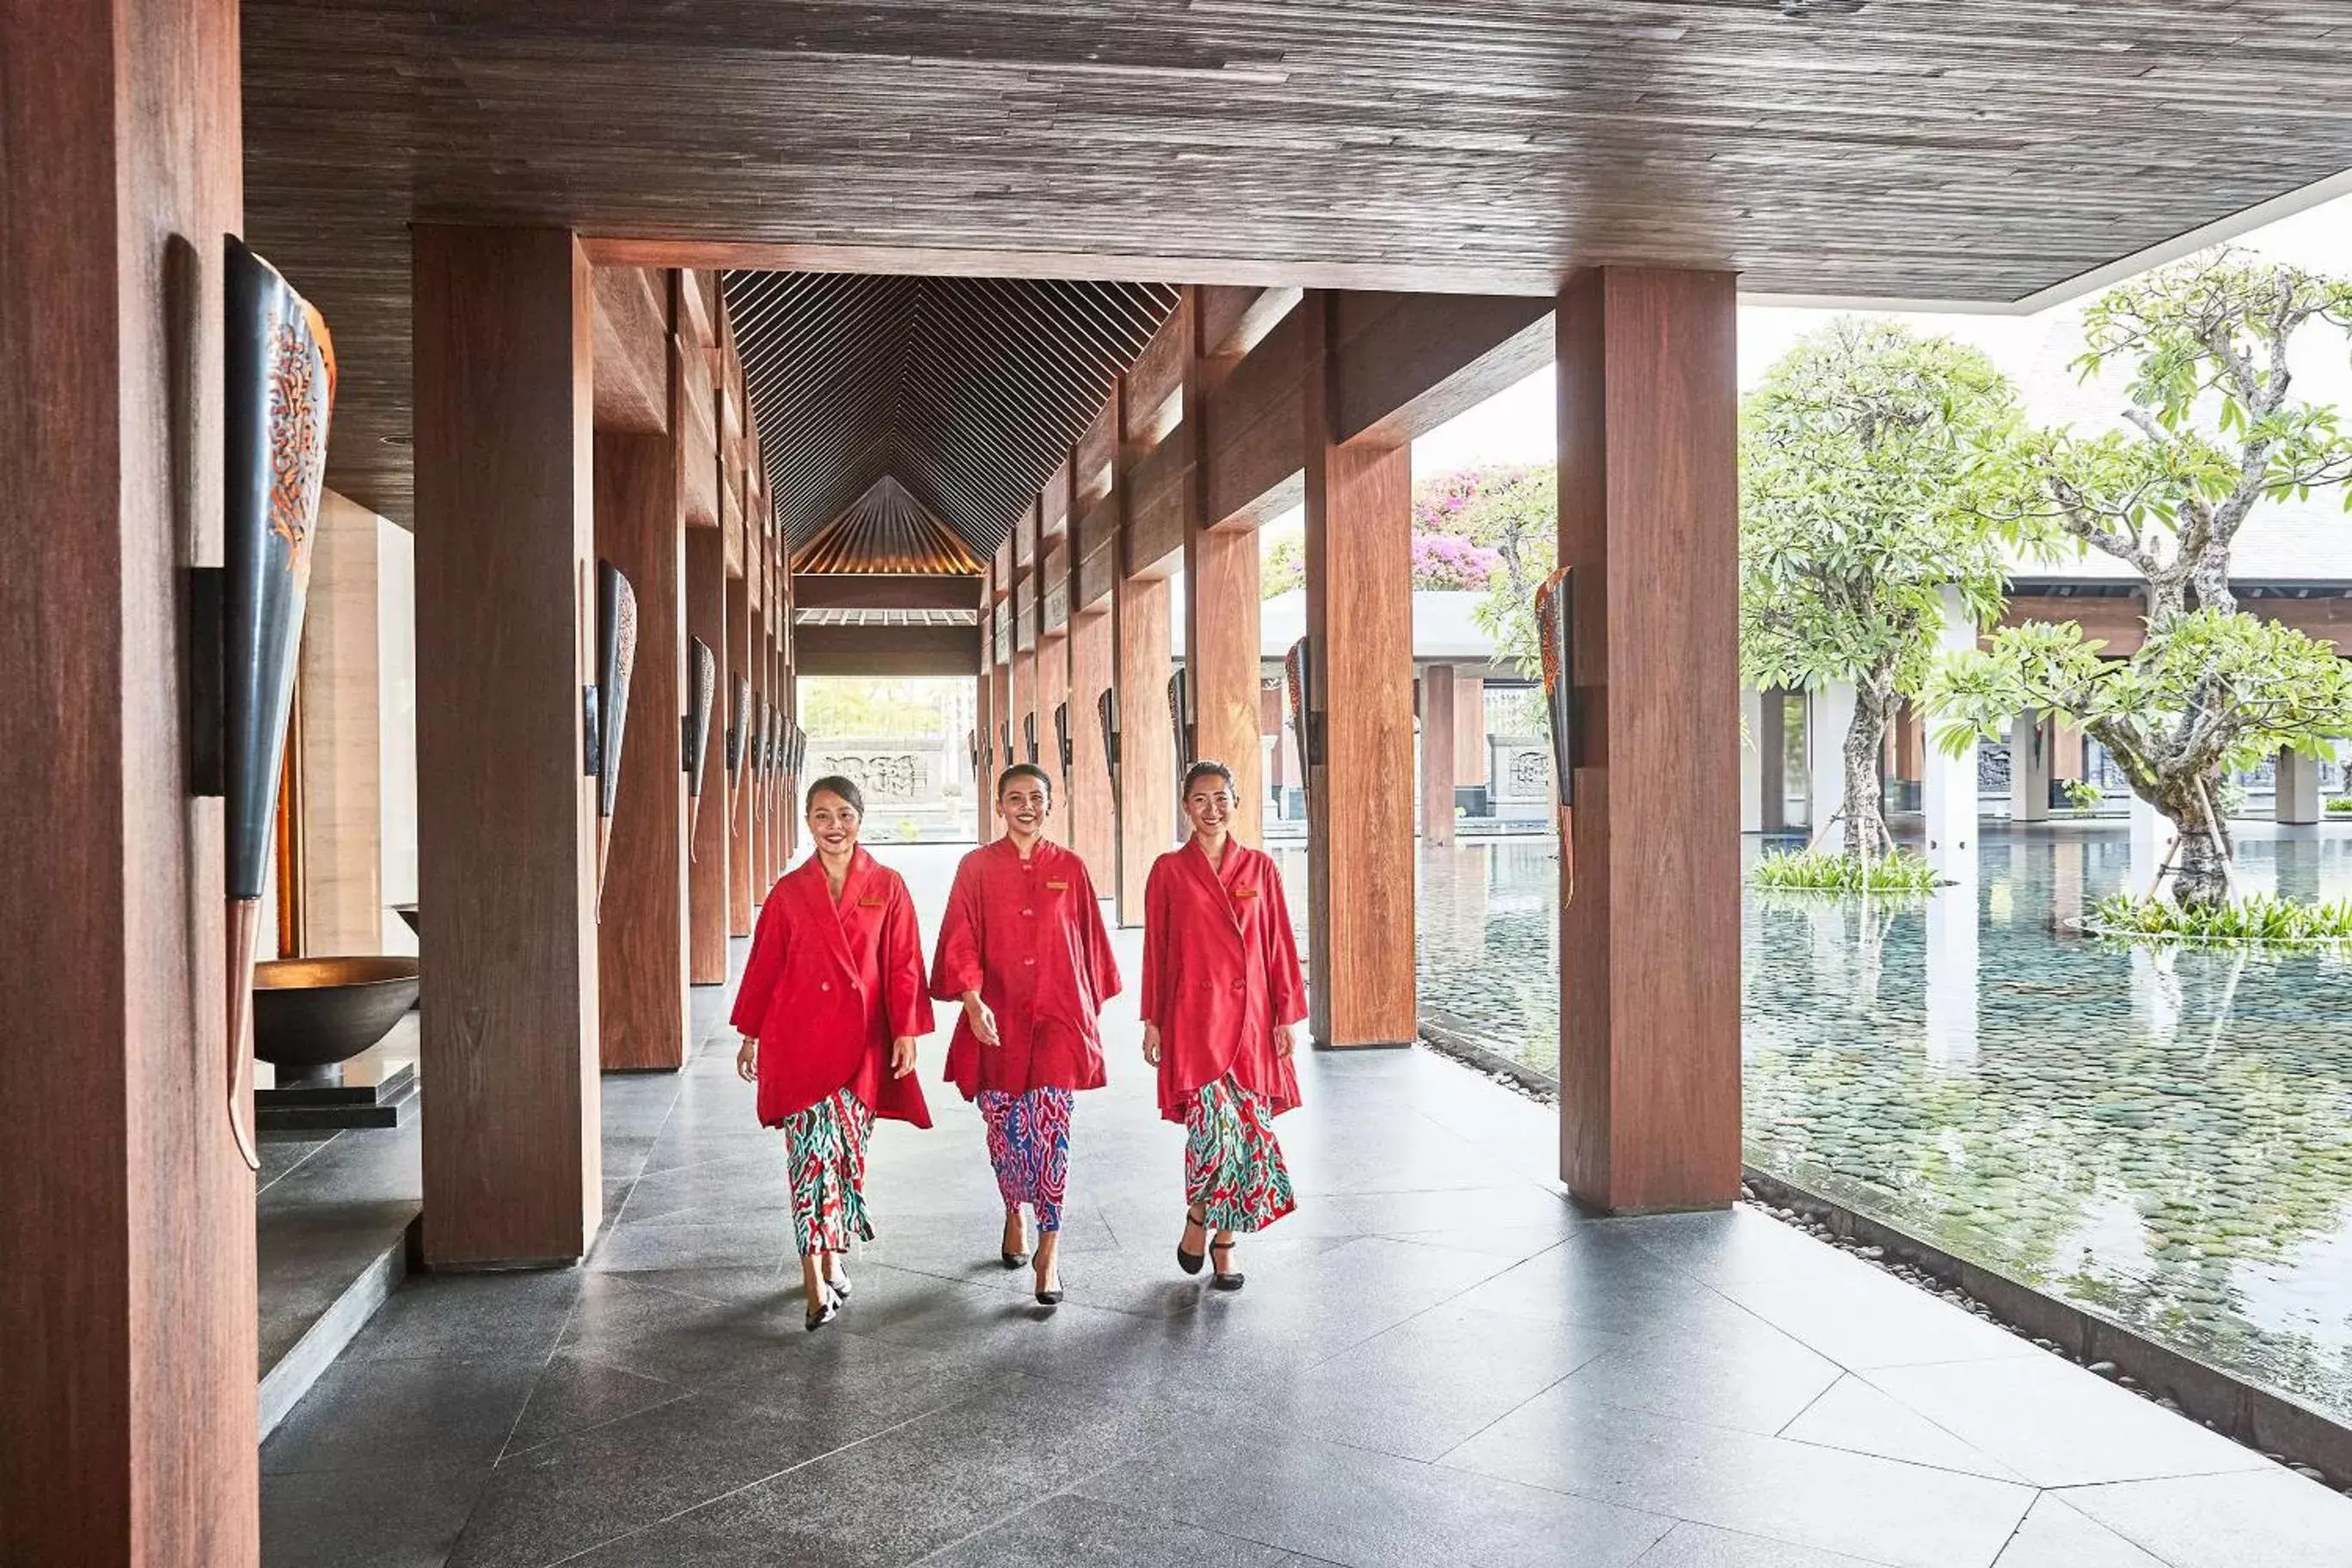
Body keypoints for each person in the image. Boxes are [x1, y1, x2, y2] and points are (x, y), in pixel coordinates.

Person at [733, 775, 934, 1331]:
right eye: (821, 816)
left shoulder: (887, 885)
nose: (834, 827)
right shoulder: (788, 892)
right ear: (808, 823)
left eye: (844, 814)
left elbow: (903, 964)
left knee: (845, 1159)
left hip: (864, 1045)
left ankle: (832, 1251)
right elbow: (765, 967)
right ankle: (814, 1281)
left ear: (860, 819)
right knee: (808, 1161)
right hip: (797, 1041)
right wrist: (750, 1034)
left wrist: (906, 1032)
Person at [930, 763, 1121, 1307]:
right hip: (997, 1020)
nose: (1027, 806)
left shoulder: (1072, 868)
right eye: (1015, 797)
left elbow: (1089, 944)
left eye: (1036, 797)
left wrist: (1085, 1007)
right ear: (998, 805)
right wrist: (971, 998)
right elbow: (960, 939)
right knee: (1005, 1129)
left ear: (1050, 804)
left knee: (1054, 1134)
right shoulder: (976, 867)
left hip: (1058, 1021)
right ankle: (1013, 1207)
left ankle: (1050, 1250)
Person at [1140, 758, 1306, 1293]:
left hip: (1254, 1020)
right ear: (1186, 807)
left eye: (1221, 799)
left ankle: (1224, 1241)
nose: (1212, 810)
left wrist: (1286, 1016)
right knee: (1212, 1135)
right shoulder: (1168, 870)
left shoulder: (1260, 868)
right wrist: (1154, 1022)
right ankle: (1198, 1220)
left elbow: (1279, 946)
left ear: (1236, 802)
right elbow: (1157, 952)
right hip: (1194, 1019)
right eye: (1200, 800)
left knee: (1250, 1134)